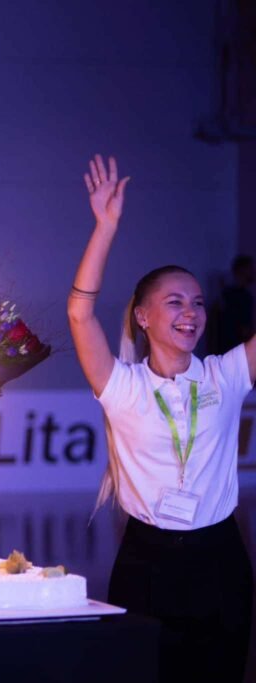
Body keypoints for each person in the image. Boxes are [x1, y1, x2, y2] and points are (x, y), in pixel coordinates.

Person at [67, 156, 255, 682]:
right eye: (174, 302)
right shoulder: (122, 386)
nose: (190, 313)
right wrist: (105, 228)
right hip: (147, 565)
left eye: (197, 303)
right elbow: (79, 314)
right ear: (142, 316)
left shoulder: (226, 375)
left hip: (221, 562)